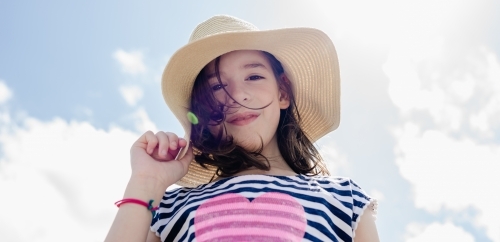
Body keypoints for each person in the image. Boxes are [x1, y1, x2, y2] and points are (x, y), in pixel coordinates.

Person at [105, 15, 379, 242]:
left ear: (283, 92)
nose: (238, 95)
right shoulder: (170, 209)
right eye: (217, 87)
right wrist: (145, 184)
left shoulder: (346, 201)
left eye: (254, 76)